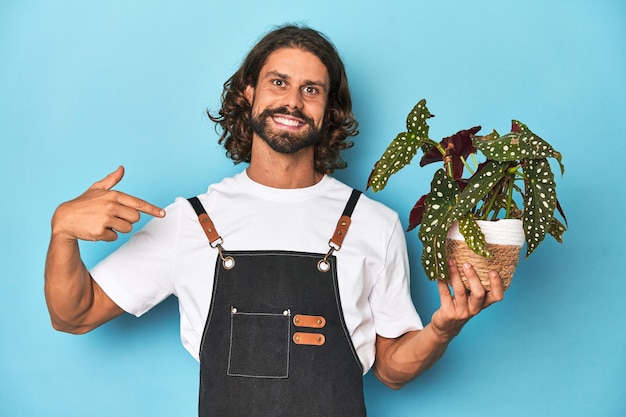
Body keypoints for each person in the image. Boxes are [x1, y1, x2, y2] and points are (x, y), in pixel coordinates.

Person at [44, 24, 504, 416]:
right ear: (249, 93)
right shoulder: (190, 220)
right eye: (278, 83)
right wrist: (62, 232)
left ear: (330, 110)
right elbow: (74, 314)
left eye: (311, 90)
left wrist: (443, 329)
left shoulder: (373, 223)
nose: (293, 102)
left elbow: (391, 371)